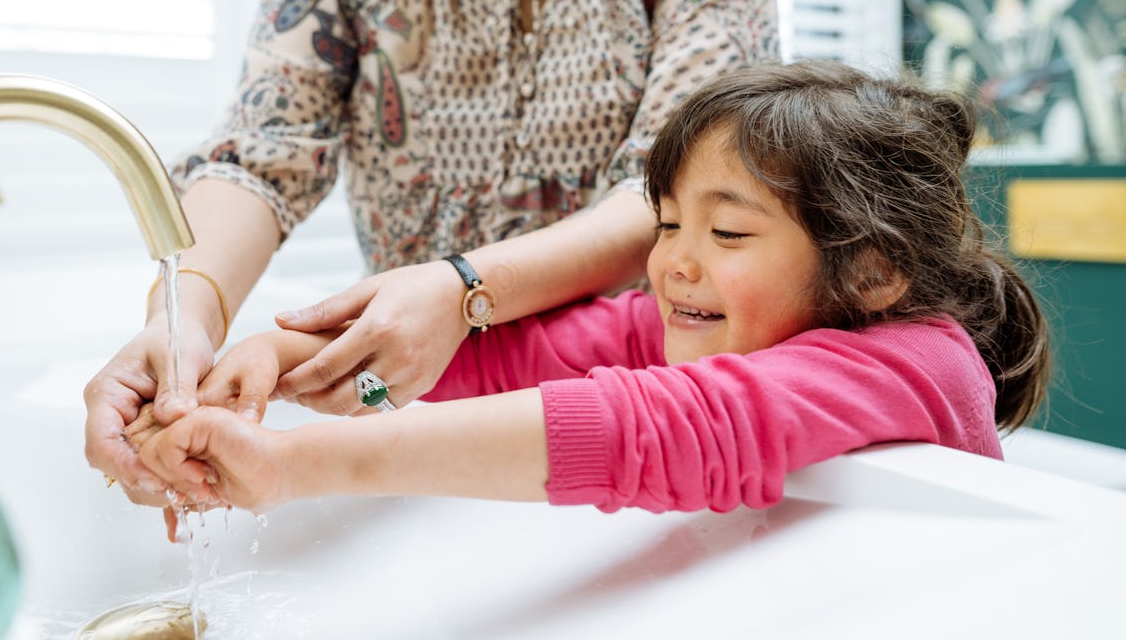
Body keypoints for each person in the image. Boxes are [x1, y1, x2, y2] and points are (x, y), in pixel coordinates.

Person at [86, 0, 779, 505]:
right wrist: (183, 322)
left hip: (635, 428)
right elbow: (260, 155)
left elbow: (666, 199)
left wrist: (462, 288)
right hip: (410, 423)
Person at [134, 60, 1051, 521]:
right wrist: (275, 358)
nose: (674, 264)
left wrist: (297, 469)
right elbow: (509, 359)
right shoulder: (682, 319)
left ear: (873, 269)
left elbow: (673, 427)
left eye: (727, 232)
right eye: (666, 225)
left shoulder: (920, 361)